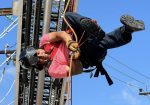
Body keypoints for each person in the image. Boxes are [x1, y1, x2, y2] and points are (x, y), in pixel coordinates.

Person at [19, 12, 145, 85]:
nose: (40, 55)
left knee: (67, 16)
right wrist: (74, 57)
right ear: (38, 65)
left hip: (79, 37)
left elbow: (60, 35)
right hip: (87, 55)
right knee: (100, 43)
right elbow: (77, 70)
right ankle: (113, 32)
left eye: (37, 53)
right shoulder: (53, 70)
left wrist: (69, 43)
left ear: (36, 49)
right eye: (38, 59)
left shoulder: (44, 41)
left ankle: (125, 29)